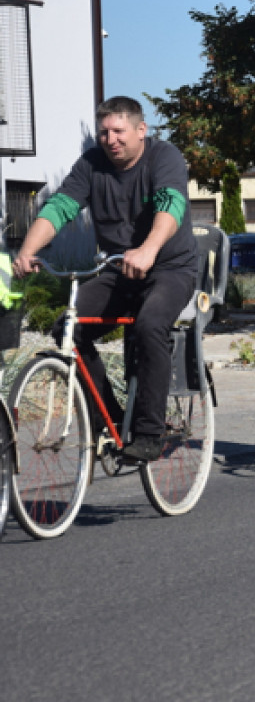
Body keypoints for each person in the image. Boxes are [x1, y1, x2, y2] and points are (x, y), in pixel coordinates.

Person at [12, 96, 197, 462]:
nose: (110, 139)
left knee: (149, 324)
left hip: (169, 269)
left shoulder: (164, 157)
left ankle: (149, 432)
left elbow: (170, 203)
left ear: (141, 131)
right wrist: (28, 250)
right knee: (69, 327)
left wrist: (148, 249)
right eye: (104, 132)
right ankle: (108, 420)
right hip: (118, 271)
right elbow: (61, 205)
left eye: (118, 131)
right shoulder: (93, 164)